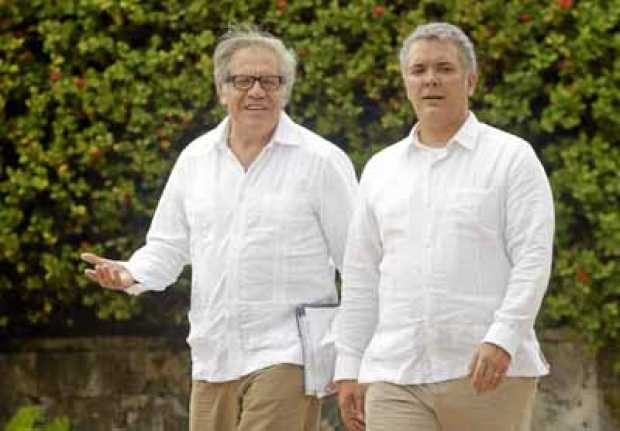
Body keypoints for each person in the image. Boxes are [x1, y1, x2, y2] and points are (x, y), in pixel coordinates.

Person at [81, 27, 357, 431]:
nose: (257, 91)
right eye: (243, 80)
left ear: (286, 90)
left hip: (290, 353)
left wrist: (354, 355)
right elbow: (167, 246)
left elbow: (358, 260)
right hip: (214, 354)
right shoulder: (195, 160)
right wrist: (130, 273)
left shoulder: (322, 161)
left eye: (271, 81)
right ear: (221, 90)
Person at [334, 22, 554, 431]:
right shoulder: (380, 170)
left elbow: (533, 257)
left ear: (470, 80)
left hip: (486, 374)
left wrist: (503, 337)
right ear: (406, 83)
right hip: (395, 373)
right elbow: (362, 275)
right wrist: (349, 363)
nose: (430, 80)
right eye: (418, 70)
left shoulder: (511, 158)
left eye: (444, 68)